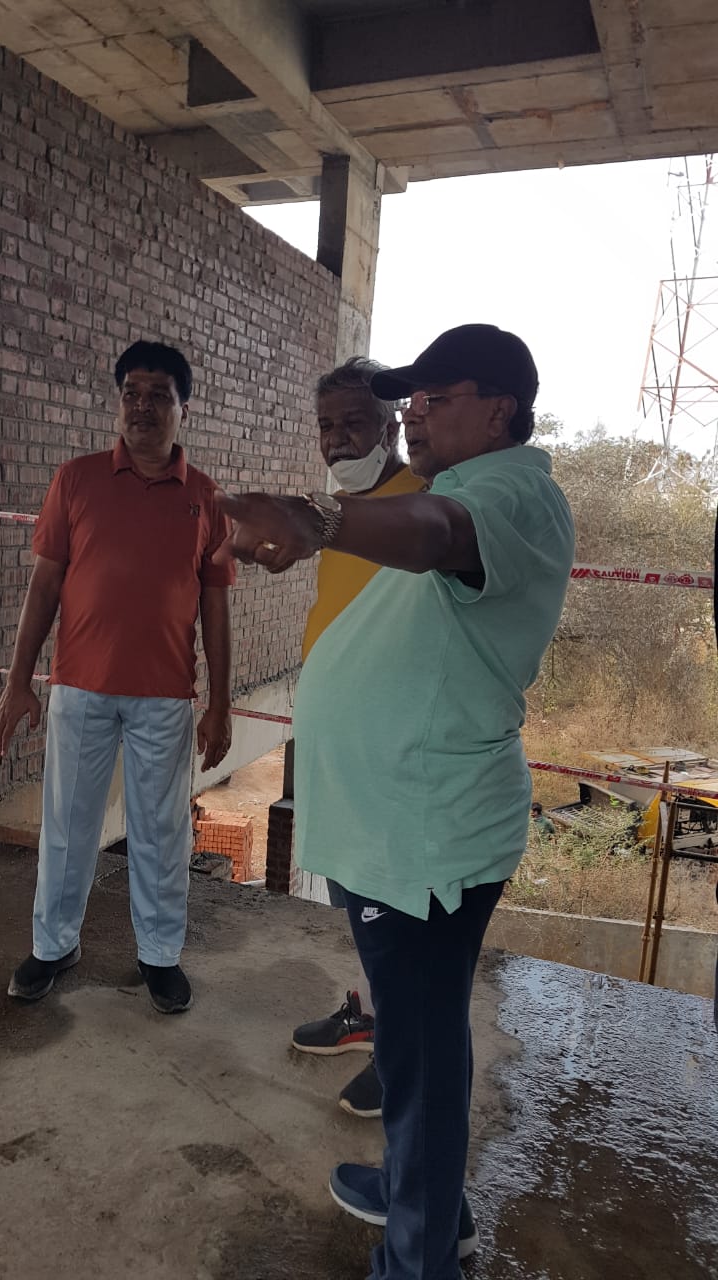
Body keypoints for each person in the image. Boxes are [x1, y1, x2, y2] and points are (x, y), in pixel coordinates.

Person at [215, 324, 574, 1279]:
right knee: (424, 1036)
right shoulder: (455, 485)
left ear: (499, 405)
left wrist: (317, 520)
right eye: (407, 400)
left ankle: (419, 1258)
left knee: (417, 1052)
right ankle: (427, 1193)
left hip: (423, 833)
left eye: (436, 397)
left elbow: (434, 539)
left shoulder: (505, 497)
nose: (412, 415)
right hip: (400, 826)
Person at [0, 340, 234, 1015]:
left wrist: (220, 701)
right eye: (132, 392)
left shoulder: (205, 498)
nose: (144, 406)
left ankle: (160, 957)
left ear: (184, 406)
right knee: (69, 822)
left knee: (162, 831)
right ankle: (52, 945)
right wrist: (19, 681)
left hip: (165, 694)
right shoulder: (78, 480)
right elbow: (44, 587)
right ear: (119, 401)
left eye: (159, 395)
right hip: (80, 686)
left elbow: (215, 602)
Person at [290, 357, 426, 1122]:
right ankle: (370, 1017)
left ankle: (399, 1053)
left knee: (392, 917)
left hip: (392, 759)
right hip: (339, 751)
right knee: (359, 906)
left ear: (393, 425)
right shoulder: (337, 509)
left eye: (355, 423)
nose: (339, 441)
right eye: (327, 427)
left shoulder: (423, 504)